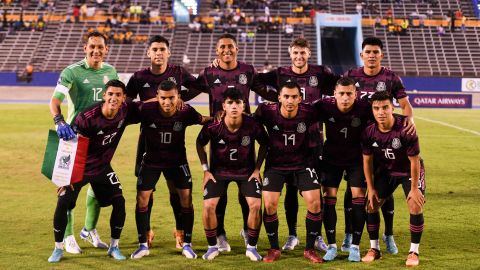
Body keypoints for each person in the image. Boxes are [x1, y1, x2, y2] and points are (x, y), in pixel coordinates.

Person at [186, 33, 277, 252]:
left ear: (237, 49)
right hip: (219, 138)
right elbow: (191, 91)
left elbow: (263, 90)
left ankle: (247, 232)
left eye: (231, 47)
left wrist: (282, 98)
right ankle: (220, 235)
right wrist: (172, 96)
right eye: (223, 47)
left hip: (244, 136)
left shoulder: (248, 70)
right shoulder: (209, 72)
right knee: (221, 193)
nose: (227, 50)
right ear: (217, 51)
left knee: (246, 194)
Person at [257, 37, 340, 251]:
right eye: (295, 53)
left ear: (309, 53)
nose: (299, 57)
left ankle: (316, 236)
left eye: (303, 53)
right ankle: (292, 235)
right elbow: (254, 80)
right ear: (290, 53)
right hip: (285, 144)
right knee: (290, 192)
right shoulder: (280, 73)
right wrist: (273, 97)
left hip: (313, 142)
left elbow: (340, 86)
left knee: (314, 192)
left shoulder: (321, 73)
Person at [48, 80, 139, 263]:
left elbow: (151, 105)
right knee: (63, 200)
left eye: (118, 95)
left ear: (123, 98)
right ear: (104, 95)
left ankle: (114, 247)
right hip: (80, 166)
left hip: (102, 166)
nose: (114, 98)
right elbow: (69, 146)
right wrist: (65, 177)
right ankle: (58, 248)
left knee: (119, 202)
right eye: (110, 94)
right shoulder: (87, 117)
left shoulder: (126, 110)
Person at [343, 36, 416, 254]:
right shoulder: (351, 76)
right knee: (354, 188)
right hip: (358, 140)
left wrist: (409, 120)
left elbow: (405, 104)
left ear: (381, 54)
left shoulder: (391, 77)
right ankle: (349, 234)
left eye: (376, 52)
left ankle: (389, 236)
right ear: (361, 55)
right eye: (368, 52)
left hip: (384, 141)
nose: (372, 55)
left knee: (386, 187)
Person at [49, 31, 118, 255]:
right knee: (69, 191)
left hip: (101, 141)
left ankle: (89, 230)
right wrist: (59, 121)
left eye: (100, 47)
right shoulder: (72, 72)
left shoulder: (111, 71)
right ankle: (68, 236)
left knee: (98, 188)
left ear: (106, 49)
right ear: (84, 49)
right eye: (92, 47)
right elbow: (55, 100)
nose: (96, 51)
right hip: (74, 139)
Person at [126, 35, 198, 249]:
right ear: (148, 52)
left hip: (174, 142)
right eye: (154, 49)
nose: (158, 53)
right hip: (148, 142)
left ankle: (180, 231)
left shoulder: (179, 72)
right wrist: (150, 102)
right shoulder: (139, 77)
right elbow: (127, 106)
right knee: (147, 191)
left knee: (176, 190)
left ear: (168, 52)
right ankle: (146, 231)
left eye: (162, 49)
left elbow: (199, 86)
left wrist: (182, 98)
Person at [130, 80, 210, 260]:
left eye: (172, 98)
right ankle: (143, 244)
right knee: (142, 199)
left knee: (186, 199)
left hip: (177, 162)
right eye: (163, 98)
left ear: (178, 97)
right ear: (157, 97)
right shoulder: (146, 110)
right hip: (151, 162)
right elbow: (127, 110)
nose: (167, 102)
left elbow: (203, 120)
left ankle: (187, 244)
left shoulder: (185, 112)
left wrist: (221, 116)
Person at [254, 82, 323, 263]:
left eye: (294, 97)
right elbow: (248, 122)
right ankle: (274, 249)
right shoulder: (266, 111)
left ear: (300, 98)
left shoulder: (309, 112)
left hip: (302, 163)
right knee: (269, 205)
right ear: (279, 97)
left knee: (315, 202)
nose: (290, 100)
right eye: (286, 96)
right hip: (276, 164)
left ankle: (309, 249)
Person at [196, 88, 268, 261]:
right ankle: (212, 246)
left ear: (244, 105)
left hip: (246, 173)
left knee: (255, 205)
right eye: (230, 103)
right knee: (208, 206)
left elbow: (265, 144)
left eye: (238, 103)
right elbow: (200, 143)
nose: (234, 106)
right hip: (218, 173)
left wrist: (258, 169)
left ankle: (251, 247)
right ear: (224, 106)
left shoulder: (253, 125)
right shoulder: (214, 126)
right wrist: (206, 170)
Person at [361, 91, 425, 267]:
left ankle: (413, 251)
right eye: (376, 108)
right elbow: (367, 161)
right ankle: (375, 249)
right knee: (371, 204)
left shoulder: (406, 128)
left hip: (408, 171)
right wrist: (371, 188)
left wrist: (414, 188)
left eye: (385, 108)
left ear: (393, 107)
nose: (380, 112)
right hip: (386, 171)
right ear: (372, 110)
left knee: (414, 203)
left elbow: (414, 161)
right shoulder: (369, 131)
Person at [313, 77, 372, 262]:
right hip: (331, 160)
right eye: (341, 93)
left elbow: (384, 116)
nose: (345, 97)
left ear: (356, 94)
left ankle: (354, 246)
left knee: (358, 198)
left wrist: (405, 122)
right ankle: (331, 246)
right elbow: (302, 113)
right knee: (329, 199)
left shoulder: (364, 107)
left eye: (349, 94)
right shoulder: (323, 106)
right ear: (334, 94)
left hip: (356, 160)